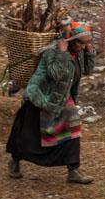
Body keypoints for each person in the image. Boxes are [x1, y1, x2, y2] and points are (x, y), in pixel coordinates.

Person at [6, 19, 96, 184]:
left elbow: (88, 70)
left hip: (61, 98)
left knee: (73, 127)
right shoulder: (53, 51)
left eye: (85, 44)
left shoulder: (80, 52)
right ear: (70, 40)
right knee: (28, 133)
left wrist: (89, 51)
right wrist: (62, 54)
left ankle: (73, 171)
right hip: (41, 96)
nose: (82, 47)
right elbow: (54, 75)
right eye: (81, 44)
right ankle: (15, 161)